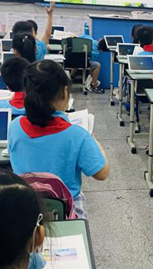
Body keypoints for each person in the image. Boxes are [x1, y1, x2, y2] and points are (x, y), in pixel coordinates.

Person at [8, 60, 110, 218]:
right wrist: (92, 138)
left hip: (24, 208)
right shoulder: (77, 135)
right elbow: (102, 173)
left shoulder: (14, 127)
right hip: (65, 211)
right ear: (64, 92)